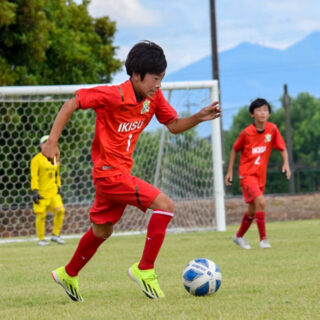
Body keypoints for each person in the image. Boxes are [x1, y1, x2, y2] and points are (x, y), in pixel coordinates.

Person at [42, 40, 221, 302]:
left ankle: (69, 273)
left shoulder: (154, 97)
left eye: (162, 78)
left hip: (119, 174)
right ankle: (144, 269)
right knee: (165, 204)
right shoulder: (112, 95)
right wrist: (52, 141)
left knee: (102, 230)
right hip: (108, 174)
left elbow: (172, 125)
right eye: (155, 78)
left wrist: (199, 117)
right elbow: (71, 104)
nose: (158, 84)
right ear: (136, 76)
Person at [225, 98, 291, 250]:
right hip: (247, 175)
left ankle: (239, 236)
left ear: (269, 113)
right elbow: (235, 149)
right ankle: (263, 240)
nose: (262, 113)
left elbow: (282, 147)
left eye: (265, 110)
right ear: (252, 114)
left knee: (253, 210)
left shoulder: (272, 129)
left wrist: (286, 163)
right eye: (259, 110)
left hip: (261, 176)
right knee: (261, 202)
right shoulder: (247, 133)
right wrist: (230, 171)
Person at [30, 135, 65, 246]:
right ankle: (41, 239)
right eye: (44, 143)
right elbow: (34, 176)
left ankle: (55, 235)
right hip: (41, 193)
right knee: (41, 216)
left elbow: (57, 174)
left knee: (60, 210)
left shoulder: (55, 158)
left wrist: (59, 186)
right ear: (41, 146)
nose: (47, 145)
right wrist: (35, 191)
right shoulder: (36, 160)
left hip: (53, 192)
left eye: (48, 143)